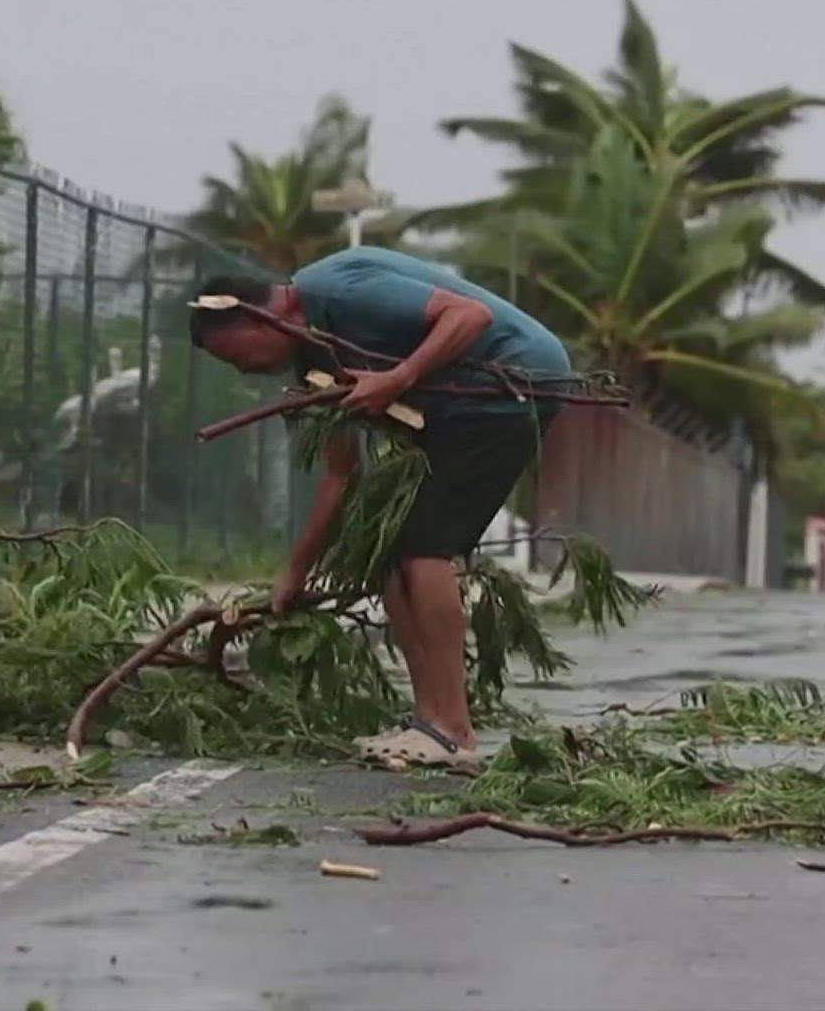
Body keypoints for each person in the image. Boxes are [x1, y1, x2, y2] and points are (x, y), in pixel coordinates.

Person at [188, 246, 572, 769]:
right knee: (387, 551)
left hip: (514, 382)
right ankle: (428, 722)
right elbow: (341, 473)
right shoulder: (314, 363)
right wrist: (295, 572)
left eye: (237, 357)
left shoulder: (335, 288)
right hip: (460, 403)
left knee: (424, 547)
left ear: (261, 317)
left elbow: (469, 315)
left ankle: (453, 731)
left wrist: (397, 378)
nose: (244, 371)